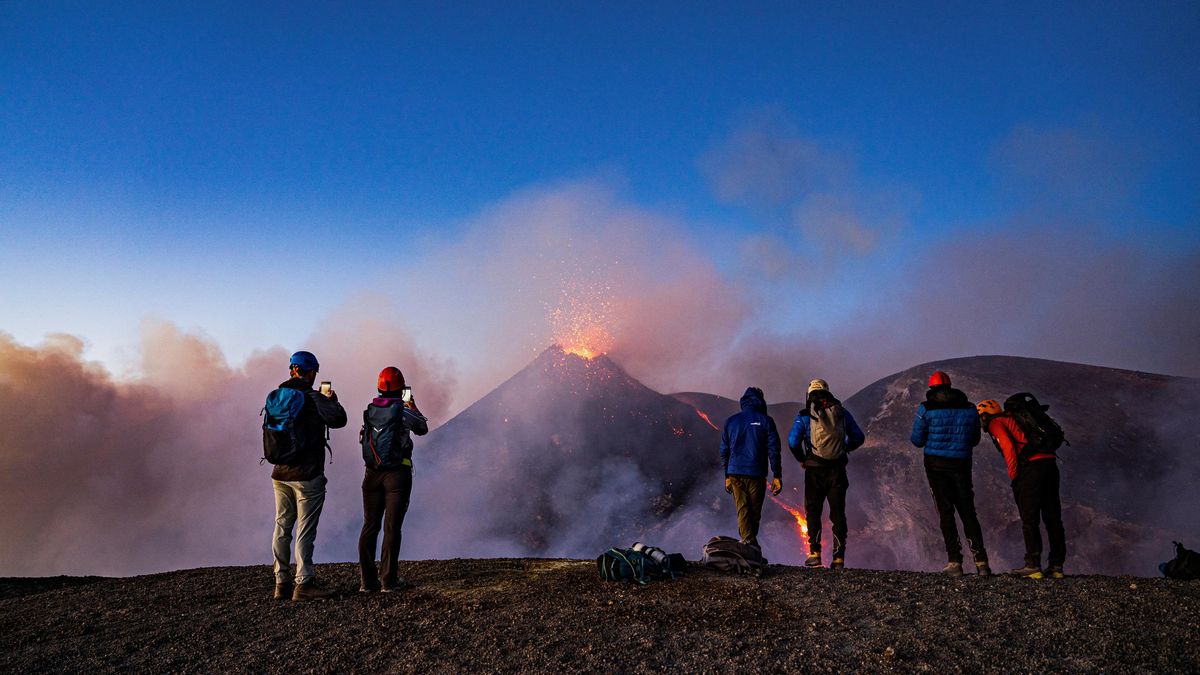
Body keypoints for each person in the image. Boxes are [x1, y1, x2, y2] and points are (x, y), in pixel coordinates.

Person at [269, 351, 347, 601]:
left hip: (279, 472)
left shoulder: (277, 396)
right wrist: (332, 400)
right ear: (311, 372)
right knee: (305, 528)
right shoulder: (313, 397)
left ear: (292, 370)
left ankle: (281, 582)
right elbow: (339, 420)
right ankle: (304, 583)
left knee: (282, 525)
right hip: (307, 474)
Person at [910, 371, 991, 577]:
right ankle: (981, 561)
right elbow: (974, 439)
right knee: (967, 511)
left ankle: (954, 561)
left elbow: (917, 440)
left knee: (945, 512)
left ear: (932, 388)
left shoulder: (926, 408)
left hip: (936, 466)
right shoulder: (970, 408)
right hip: (962, 464)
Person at [977, 399, 1066, 579]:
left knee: (1029, 518)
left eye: (981, 418)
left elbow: (1009, 448)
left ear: (986, 415)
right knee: (1052, 517)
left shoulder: (996, 423)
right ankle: (1056, 566)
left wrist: (1014, 475)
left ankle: (1032, 565)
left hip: (1030, 470)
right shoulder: (1015, 418)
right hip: (1049, 465)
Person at [358, 366, 429, 593]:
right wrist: (413, 406)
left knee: (370, 526)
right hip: (397, 475)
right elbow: (422, 428)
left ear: (379, 387)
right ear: (401, 389)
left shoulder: (370, 410)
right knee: (391, 527)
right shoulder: (402, 410)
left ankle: (367, 582)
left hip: (371, 474)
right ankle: (388, 581)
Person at [788, 379, 865, 569]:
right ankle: (838, 557)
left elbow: (792, 441)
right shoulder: (841, 413)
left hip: (814, 470)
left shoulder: (805, 415)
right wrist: (844, 449)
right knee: (838, 513)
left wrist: (802, 459)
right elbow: (859, 437)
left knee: (813, 511)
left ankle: (815, 554)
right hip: (837, 470)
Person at [720, 387, 783, 549]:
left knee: (743, 509)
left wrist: (727, 476)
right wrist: (777, 475)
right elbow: (774, 449)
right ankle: (749, 546)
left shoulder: (731, 421)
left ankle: (749, 545)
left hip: (734, 472)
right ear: (761, 401)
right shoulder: (766, 421)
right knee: (754, 512)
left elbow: (724, 451)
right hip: (756, 473)